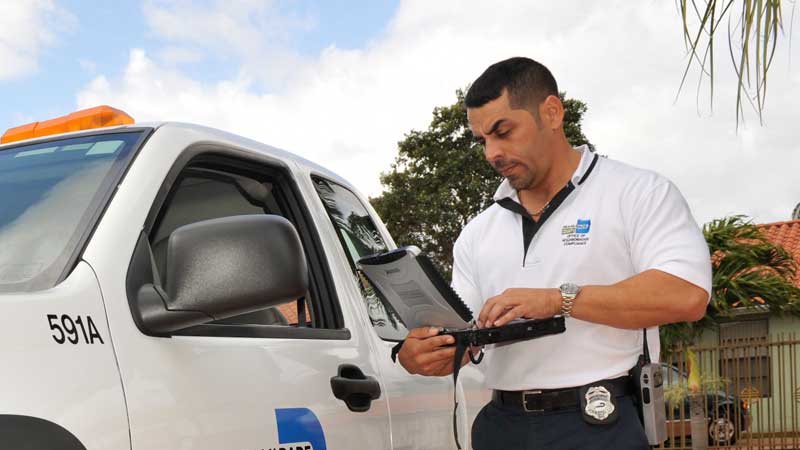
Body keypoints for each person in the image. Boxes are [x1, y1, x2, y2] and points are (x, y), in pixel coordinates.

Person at [396, 57, 712, 449]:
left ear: (551, 112)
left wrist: (556, 300)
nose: (491, 153)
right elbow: (466, 338)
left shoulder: (637, 192)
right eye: (482, 140)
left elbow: (686, 294)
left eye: (503, 131)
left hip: (600, 423)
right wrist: (423, 355)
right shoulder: (478, 233)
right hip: (500, 428)